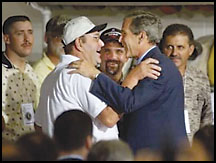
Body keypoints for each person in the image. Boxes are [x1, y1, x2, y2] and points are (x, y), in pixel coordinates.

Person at [68, 10, 189, 153]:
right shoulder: (147, 64)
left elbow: (128, 103)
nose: (121, 39)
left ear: (141, 36)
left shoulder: (156, 65)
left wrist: (95, 74)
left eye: (124, 34)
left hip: (158, 153)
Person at [34, 16, 120, 142]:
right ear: (79, 43)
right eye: (96, 38)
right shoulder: (79, 74)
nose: (101, 44)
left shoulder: (51, 76)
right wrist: (132, 82)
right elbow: (109, 118)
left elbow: (39, 126)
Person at [159, 24, 213, 143]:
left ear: (191, 49)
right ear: (162, 48)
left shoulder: (200, 78)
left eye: (180, 47)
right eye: (169, 47)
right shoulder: (152, 77)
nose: (174, 53)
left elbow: (207, 118)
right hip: (159, 150)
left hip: (191, 150)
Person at [2, 15, 40, 142]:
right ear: (6, 39)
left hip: (30, 149)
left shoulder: (32, 72)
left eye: (30, 32)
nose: (27, 39)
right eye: (20, 33)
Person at [32, 15, 71, 87]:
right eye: (58, 37)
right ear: (46, 38)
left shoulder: (72, 66)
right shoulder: (39, 72)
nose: (63, 43)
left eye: (67, 37)